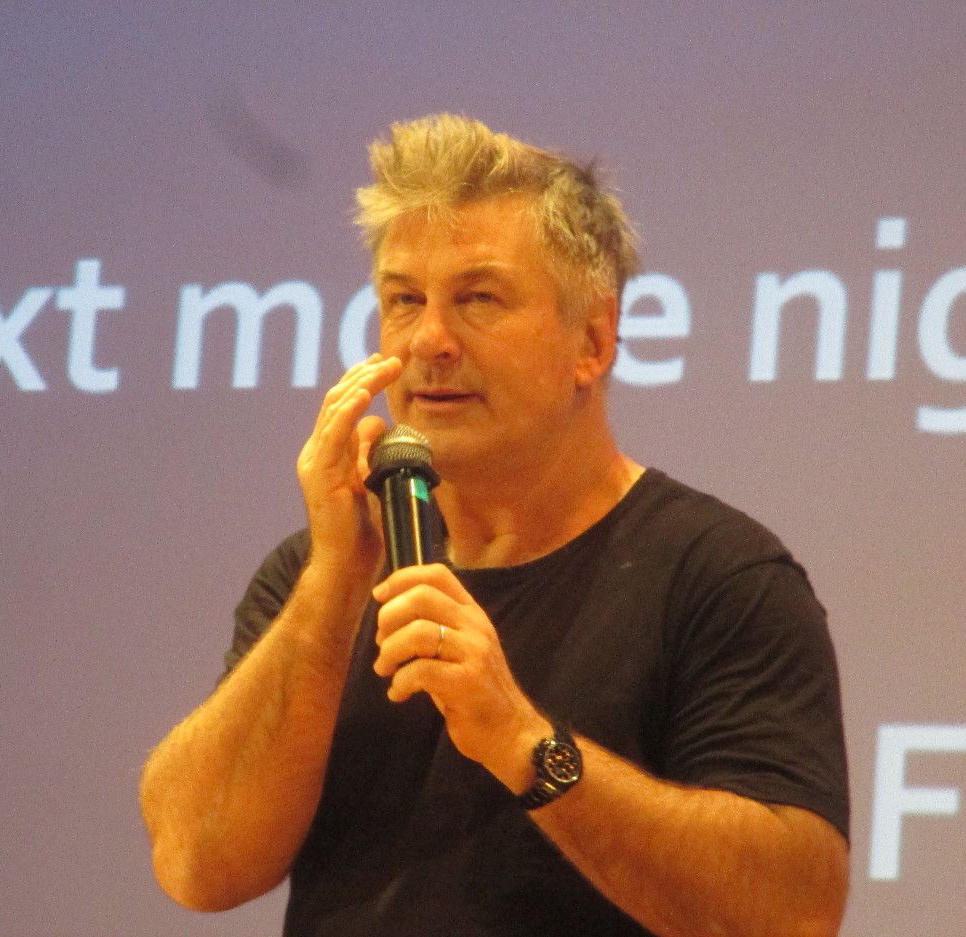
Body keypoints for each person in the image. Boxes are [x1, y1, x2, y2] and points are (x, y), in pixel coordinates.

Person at [140, 114, 850, 937]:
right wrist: (334, 583)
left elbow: (793, 913)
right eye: (404, 300)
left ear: (593, 340)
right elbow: (197, 864)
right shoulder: (319, 572)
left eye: (478, 298)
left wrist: (523, 741)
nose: (430, 340)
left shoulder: (718, 576)